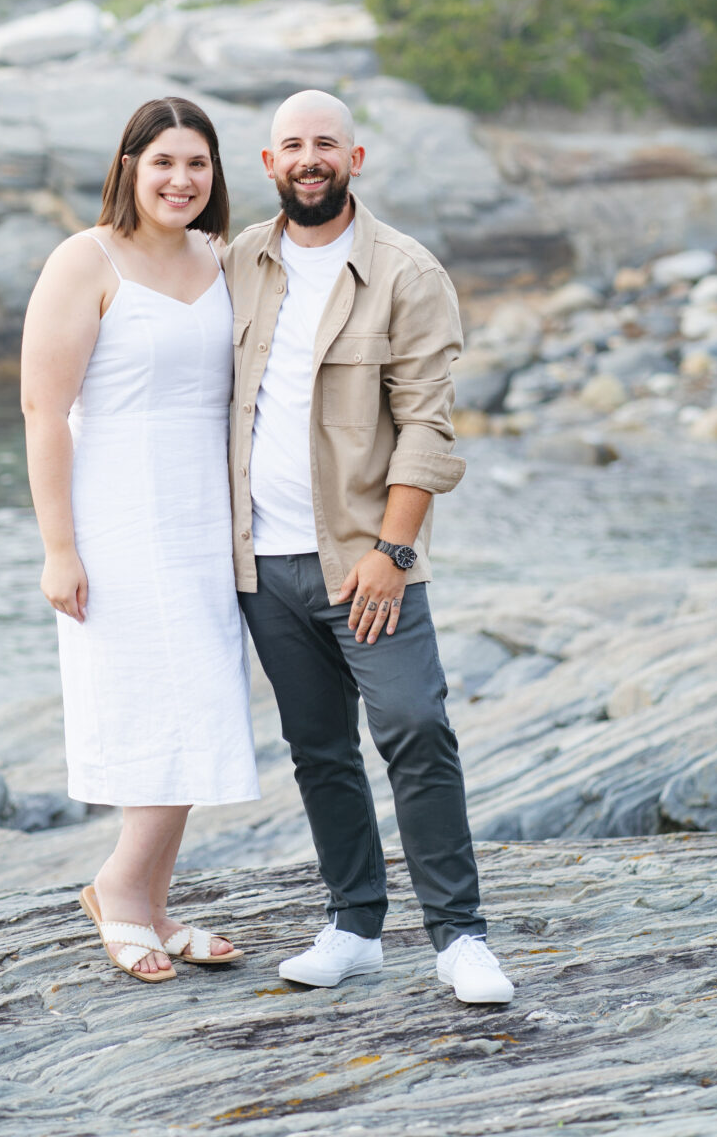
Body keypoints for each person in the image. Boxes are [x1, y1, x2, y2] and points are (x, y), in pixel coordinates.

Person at [224, 89, 514, 1005]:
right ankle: (353, 925)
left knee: (416, 729)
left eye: (326, 144)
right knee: (317, 748)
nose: (309, 159)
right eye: (291, 146)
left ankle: (458, 939)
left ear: (355, 158)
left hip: (366, 557)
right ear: (268, 165)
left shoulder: (405, 273)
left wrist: (391, 554)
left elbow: (427, 430)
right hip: (262, 565)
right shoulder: (237, 263)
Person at [21, 97, 260, 983]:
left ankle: (152, 904)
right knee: (155, 700)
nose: (180, 180)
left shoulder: (222, 258)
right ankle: (119, 891)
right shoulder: (83, 259)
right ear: (128, 166)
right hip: (118, 513)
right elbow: (43, 410)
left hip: (206, 514)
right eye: (162, 161)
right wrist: (59, 546)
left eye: (196, 164)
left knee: (196, 703)